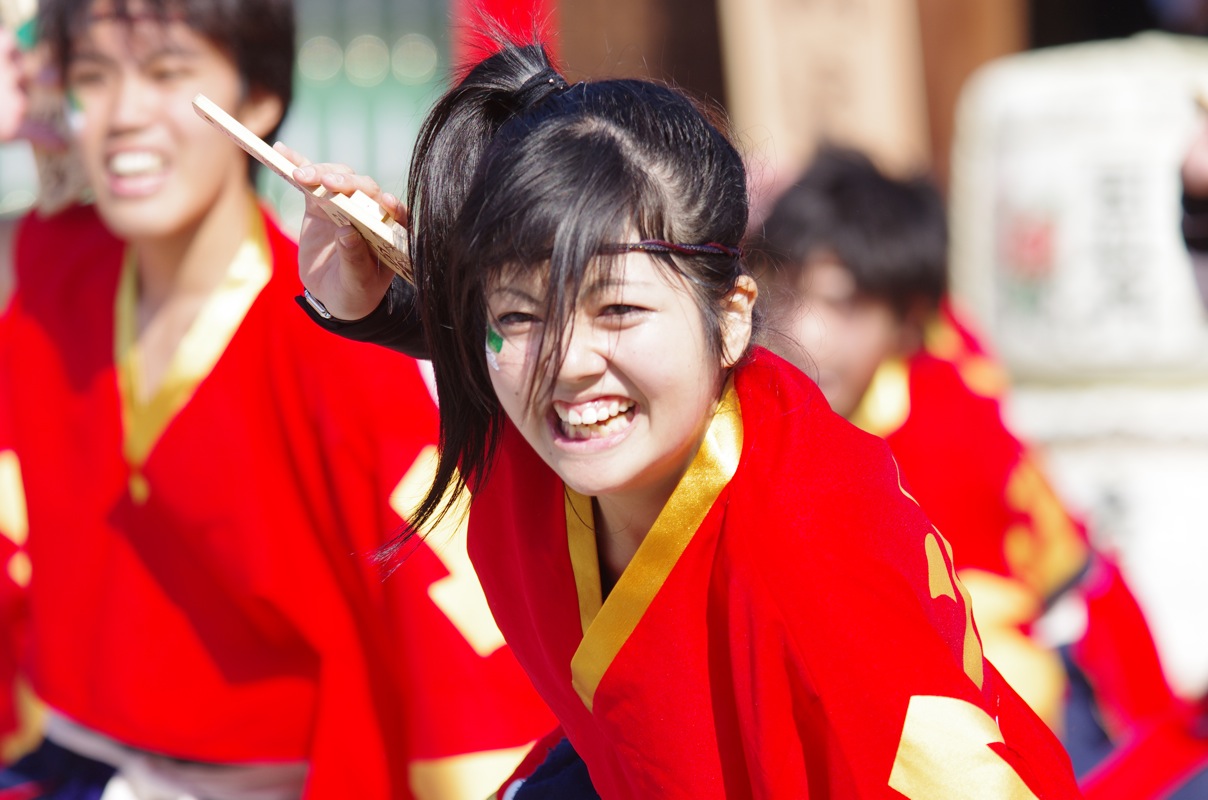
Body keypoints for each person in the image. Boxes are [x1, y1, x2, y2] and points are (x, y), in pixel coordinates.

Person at [289, 38, 1083, 797]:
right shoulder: (520, 396)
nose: (567, 363)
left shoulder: (809, 553)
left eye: (620, 308)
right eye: (523, 313)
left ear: (733, 317)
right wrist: (356, 298)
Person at [0, 1, 555, 797]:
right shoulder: (58, 272)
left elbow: (453, 649)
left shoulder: (336, 347)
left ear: (257, 98)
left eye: (166, 74)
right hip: (63, 757)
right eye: (92, 77)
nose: (122, 114)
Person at [750, 145, 1180, 779]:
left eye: (843, 306)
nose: (804, 332)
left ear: (907, 317)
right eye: (787, 295)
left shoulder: (941, 426)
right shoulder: (833, 386)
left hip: (1047, 669)